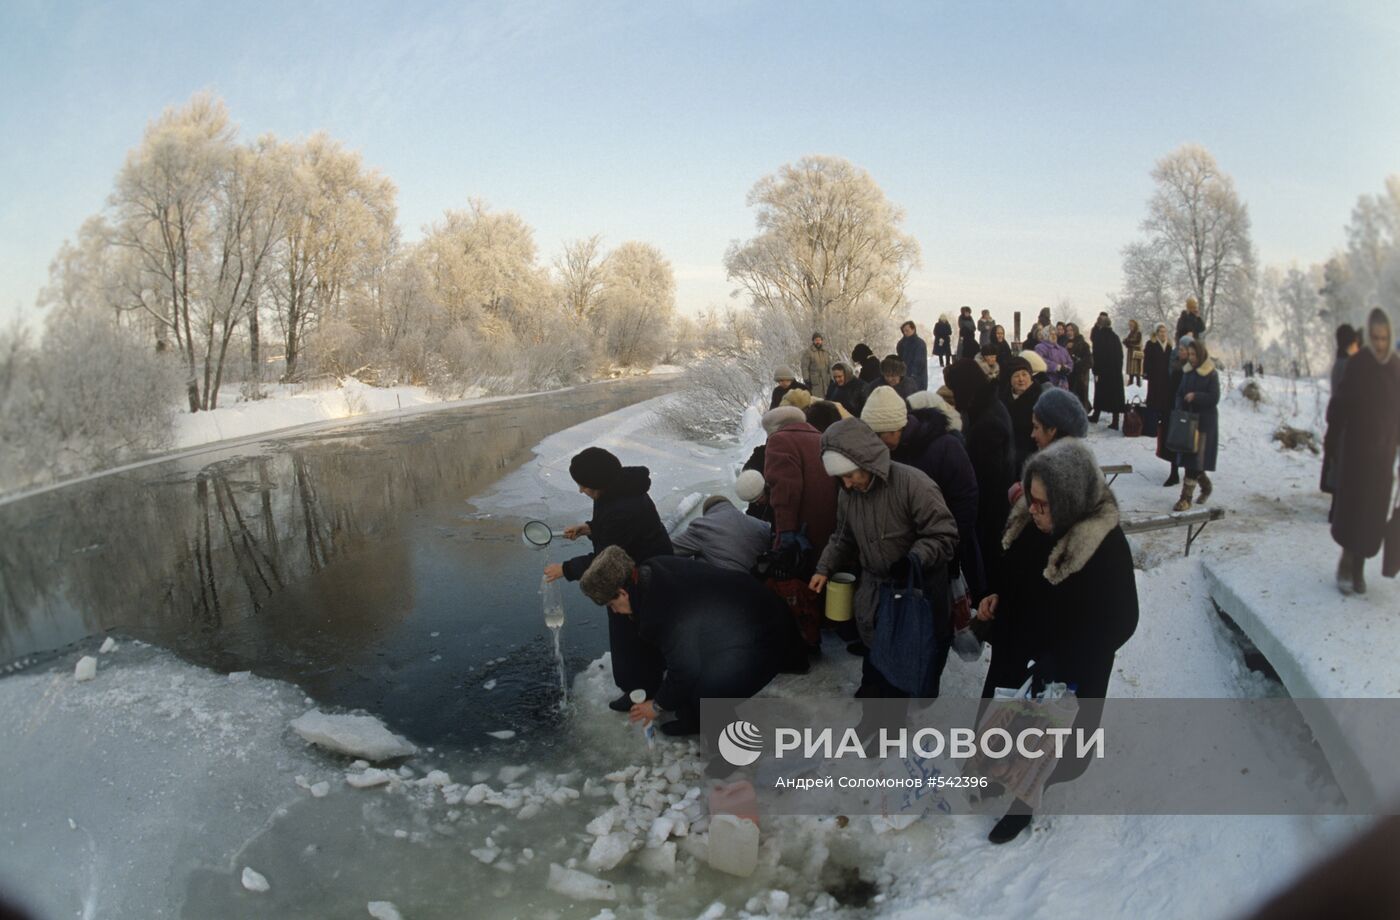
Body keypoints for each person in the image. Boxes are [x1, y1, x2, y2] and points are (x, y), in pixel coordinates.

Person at [973, 438, 1138, 843]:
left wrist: (1063, 661)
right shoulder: (1032, 525)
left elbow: (1121, 621)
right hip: (1020, 647)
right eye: (1031, 499)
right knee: (1003, 724)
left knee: (1044, 743)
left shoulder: (1104, 545)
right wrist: (997, 597)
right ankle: (995, 776)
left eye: (1043, 504)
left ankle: (1023, 803)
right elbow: (1012, 572)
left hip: (1067, 667)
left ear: (1068, 500)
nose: (1033, 509)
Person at [580, 546, 809, 742]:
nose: (614, 611)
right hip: (744, 617)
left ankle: (734, 756)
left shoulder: (662, 611)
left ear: (622, 592)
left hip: (764, 633)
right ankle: (695, 719)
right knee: (691, 682)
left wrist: (656, 706)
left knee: (709, 691)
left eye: (612, 604)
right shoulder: (652, 570)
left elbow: (685, 671)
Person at [809, 418, 959, 698]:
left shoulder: (914, 484)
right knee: (876, 653)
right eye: (840, 478)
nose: (847, 483)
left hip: (916, 593)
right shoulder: (848, 494)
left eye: (850, 474)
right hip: (875, 591)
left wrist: (914, 559)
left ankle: (891, 717)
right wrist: (824, 568)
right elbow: (843, 537)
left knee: (907, 665)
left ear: (866, 460)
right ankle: (875, 699)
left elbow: (944, 536)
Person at [544, 447, 674, 712]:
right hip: (651, 567)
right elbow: (617, 529)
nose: (581, 490)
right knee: (646, 633)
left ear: (599, 481)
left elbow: (606, 560)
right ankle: (652, 680)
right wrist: (589, 528)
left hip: (639, 576)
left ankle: (640, 692)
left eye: (584, 485)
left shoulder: (620, 507)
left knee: (630, 640)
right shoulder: (621, 487)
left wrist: (566, 569)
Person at [862, 385, 985, 599]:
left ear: (894, 428)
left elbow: (966, 501)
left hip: (942, 553)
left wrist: (949, 548)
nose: (875, 443)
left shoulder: (946, 447)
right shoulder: (886, 452)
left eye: (878, 436)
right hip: (903, 558)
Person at [1328, 309, 1400, 595]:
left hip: (1383, 456)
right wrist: (1331, 440)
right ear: (1368, 337)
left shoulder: (1397, 368)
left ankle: (1359, 565)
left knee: (1372, 513)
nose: (1380, 344)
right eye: (1375, 338)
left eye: (1384, 338)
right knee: (1353, 508)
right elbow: (1340, 404)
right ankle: (1346, 562)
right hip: (1357, 452)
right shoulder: (1358, 365)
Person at [763, 405, 840, 643]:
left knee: (796, 577)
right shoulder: (820, 437)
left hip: (801, 524)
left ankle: (805, 632)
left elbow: (786, 489)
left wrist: (785, 530)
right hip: (829, 519)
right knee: (822, 568)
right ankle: (829, 621)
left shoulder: (779, 441)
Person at [944, 359, 1016, 570]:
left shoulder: (987, 423)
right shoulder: (988, 407)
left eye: (956, 389)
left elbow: (985, 482)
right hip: (992, 512)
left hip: (988, 518)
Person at [1172, 338, 1221, 511]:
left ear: (1200, 354)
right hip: (1188, 422)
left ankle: (1185, 498)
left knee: (1194, 461)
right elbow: (1179, 393)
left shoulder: (1211, 373)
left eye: (1193, 354)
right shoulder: (1187, 372)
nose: (1191, 357)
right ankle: (1206, 487)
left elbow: (1214, 397)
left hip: (1205, 423)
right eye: (1189, 354)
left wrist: (1196, 397)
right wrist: (1180, 407)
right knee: (1191, 459)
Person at [671, 495, 772, 574]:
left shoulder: (703, 526)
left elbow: (670, 550)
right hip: (759, 587)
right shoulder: (761, 525)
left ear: (708, 512)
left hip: (726, 590)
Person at [1321, 324, 1360, 499]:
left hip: (1338, 418)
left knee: (1338, 464)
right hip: (1344, 420)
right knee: (1342, 466)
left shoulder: (1340, 362)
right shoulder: (1348, 365)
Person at [1157, 335, 1194, 487]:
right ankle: (1174, 473)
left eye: (1183, 349)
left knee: (1185, 442)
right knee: (1172, 440)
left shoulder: (1191, 368)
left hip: (1185, 409)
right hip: (1171, 406)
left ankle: (1189, 474)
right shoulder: (1175, 364)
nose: (1180, 351)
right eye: (1179, 348)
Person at [1003, 355, 1049, 475]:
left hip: (1031, 455)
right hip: (1008, 455)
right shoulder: (1003, 398)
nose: (1021, 379)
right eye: (1016, 376)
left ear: (1031, 376)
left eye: (1024, 374)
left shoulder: (1041, 399)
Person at [1089, 314, 1125, 430]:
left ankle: (1096, 416)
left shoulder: (1099, 337)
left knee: (1100, 393)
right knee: (1115, 396)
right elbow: (1120, 355)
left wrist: (1096, 370)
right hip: (1115, 372)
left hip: (1103, 371)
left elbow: (1096, 355)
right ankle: (1115, 421)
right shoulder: (1115, 337)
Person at [1143, 323, 1174, 438]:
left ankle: (1164, 427)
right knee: (1153, 401)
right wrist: (1146, 373)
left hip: (1166, 378)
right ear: (1156, 332)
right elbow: (1147, 360)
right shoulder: (1151, 344)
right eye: (1161, 331)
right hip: (1155, 377)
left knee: (1164, 402)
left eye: (1164, 331)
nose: (1163, 334)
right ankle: (1151, 428)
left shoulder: (1169, 346)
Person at [1034, 326, 1074, 391]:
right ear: (1045, 335)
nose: (1054, 336)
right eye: (1051, 334)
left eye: (1055, 334)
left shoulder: (1062, 349)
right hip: (1048, 382)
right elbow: (1040, 360)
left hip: (1063, 384)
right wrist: (1056, 367)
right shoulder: (1040, 347)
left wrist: (1067, 368)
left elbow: (1070, 362)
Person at [1064, 323, 1092, 410]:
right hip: (1068, 377)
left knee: (1080, 400)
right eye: (1067, 330)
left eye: (1071, 330)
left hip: (1080, 378)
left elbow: (1089, 361)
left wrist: (1077, 364)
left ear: (1075, 331)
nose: (1069, 333)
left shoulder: (1083, 345)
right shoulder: (1064, 344)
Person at [896, 320, 929, 392]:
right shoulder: (902, 343)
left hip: (917, 378)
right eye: (903, 331)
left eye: (907, 330)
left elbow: (919, 361)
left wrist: (913, 375)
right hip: (904, 377)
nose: (905, 333)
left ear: (913, 329)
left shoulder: (920, 343)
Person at [804, 332, 831, 399]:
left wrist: (832, 378)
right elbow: (804, 367)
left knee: (828, 400)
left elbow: (830, 366)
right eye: (816, 340)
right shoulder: (808, 352)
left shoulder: (826, 352)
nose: (818, 342)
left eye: (819, 340)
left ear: (821, 341)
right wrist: (806, 380)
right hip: (815, 383)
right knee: (816, 402)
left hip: (826, 382)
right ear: (813, 341)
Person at [1124, 319, 1144, 386]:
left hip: (1136, 354)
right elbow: (1126, 341)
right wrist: (1127, 342)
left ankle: (1139, 386)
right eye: (1129, 325)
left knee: (1137, 373)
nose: (1130, 326)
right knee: (1131, 373)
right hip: (1130, 354)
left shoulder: (1138, 333)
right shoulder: (1130, 333)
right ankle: (1130, 385)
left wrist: (1128, 342)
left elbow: (1137, 342)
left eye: (1131, 325)